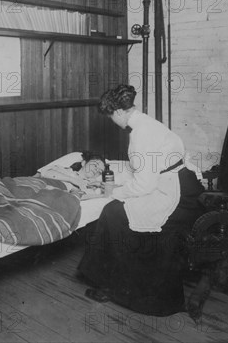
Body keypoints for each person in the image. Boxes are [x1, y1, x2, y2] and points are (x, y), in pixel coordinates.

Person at [77, 84, 205, 316]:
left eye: (110, 118)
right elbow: (146, 173)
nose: (112, 123)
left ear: (117, 113)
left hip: (176, 196)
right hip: (186, 186)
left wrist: (112, 193)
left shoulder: (141, 135)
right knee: (117, 211)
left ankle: (113, 287)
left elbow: (145, 184)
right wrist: (117, 186)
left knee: (112, 213)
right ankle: (110, 283)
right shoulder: (148, 123)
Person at [36, 151, 105, 191]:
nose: (96, 170)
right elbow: (45, 172)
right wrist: (72, 180)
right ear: (83, 163)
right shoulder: (66, 171)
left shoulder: (90, 186)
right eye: (95, 165)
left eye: (100, 171)